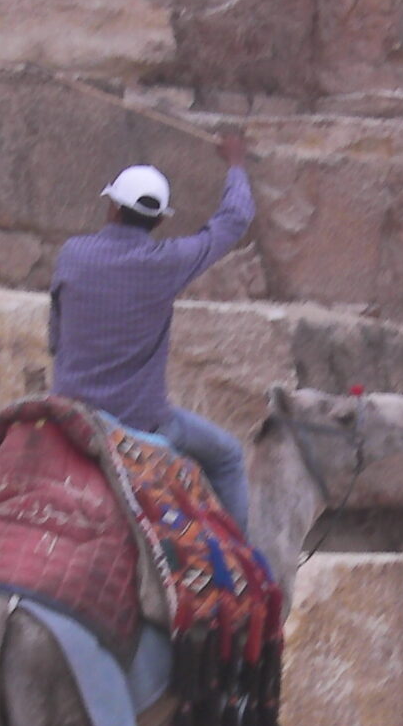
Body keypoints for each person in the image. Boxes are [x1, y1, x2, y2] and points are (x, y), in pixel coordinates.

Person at [49, 133, 255, 529]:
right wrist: (235, 164)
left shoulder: (72, 254)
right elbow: (234, 219)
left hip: (71, 413)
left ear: (112, 208)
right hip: (140, 423)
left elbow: (56, 337)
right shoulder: (166, 263)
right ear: (160, 220)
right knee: (228, 456)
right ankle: (235, 562)